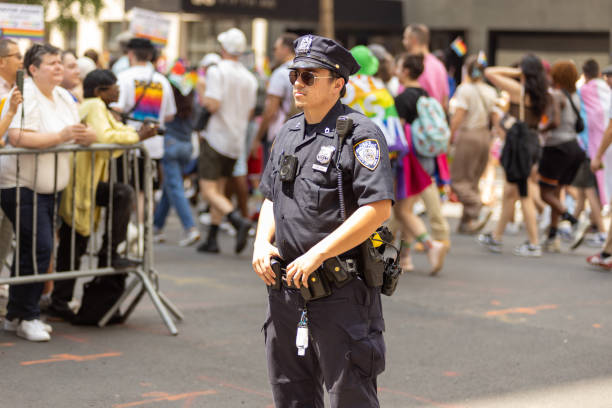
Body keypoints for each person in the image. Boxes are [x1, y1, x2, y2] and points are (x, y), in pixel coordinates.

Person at [252, 34, 394, 407]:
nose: (297, 83)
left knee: (349, 396)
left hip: (340, 291)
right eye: (294, 75)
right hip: (286, 290)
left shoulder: (360, 134)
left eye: (308, 76)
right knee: (291, 393)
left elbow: (377, 209)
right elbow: (271, 195)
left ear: (337, 84)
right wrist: (261, 243)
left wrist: (316, 255)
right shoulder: (288, 130)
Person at [0, 43, 97, 341]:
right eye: (52, 63)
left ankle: (17, 313)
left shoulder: (63, 96)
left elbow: (82, 128)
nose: (58, 67)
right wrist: (61, 136)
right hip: (19, 183)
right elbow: (16, 136)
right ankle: (28, 315)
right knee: (39, 247)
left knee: (33, 249)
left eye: (60, 63)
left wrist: (85, 136)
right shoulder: (24, 94)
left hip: (48, 186)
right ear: (33, 69)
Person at [47, 69, 157, 321]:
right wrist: (137, 136)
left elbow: (111, 141)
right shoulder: (95, 105)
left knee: (76, 242)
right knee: (74, 242)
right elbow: (105, 138)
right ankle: (62, 298)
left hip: (87, 184)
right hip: (80, 185)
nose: (118, 90)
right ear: (99, 91)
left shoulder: (99, 107)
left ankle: (61, 300)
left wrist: (130, 135)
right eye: (113, 87)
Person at [478, 54, 549, 256]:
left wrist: (517, 72)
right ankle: (496, 237)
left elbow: (489, 72)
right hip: (532, 143)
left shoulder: (520, 90)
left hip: (520, 146)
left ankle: (534, 243)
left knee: (523, 193)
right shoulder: (541, 93)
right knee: (511, 193)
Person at [196, 28, 257, 254]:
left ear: (223, 48)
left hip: (216, 136)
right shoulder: (249, 78)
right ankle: (212, 238)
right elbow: (250, 112)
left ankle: (237, 220)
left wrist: (201, 92)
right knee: (220, 188)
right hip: (235, 140)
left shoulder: (217, 71)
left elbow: (212, 104)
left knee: (208, 190)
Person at [394, 53, 447, 274]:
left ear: (405, 71)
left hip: (410, 161)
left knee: (402, 211)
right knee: (409, 208)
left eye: (399, 65)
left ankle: (430, 245)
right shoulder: (427, 95)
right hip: (427, 159)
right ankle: (405, 258)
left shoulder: (402, 99)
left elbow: (397, 133)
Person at [537, 61, 588, 252]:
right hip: (574, 147)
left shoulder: (556, 95)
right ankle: (552, 236)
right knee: (557, 192)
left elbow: (555, 121)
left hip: (557, 147)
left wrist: (541, 128)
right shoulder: (574, 96)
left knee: (545, 193)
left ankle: (574, 221)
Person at [153, 62, 201, 247]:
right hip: (186, 146)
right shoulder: (192, 98)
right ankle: (157, 226)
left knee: (175, 187)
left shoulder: (170, 95)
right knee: (171, 187)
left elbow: (166, 116)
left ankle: (190, 227)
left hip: (170, 144)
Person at [449, 54, 498, 234]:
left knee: (458, 179)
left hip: (468, 136)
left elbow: (458, 118)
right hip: (484, 136)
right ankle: (466, 222)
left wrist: (449, 138)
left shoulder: (465, 90)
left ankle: (476, 205)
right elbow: (495, 119)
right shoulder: (491, 91)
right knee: (473, 179)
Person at [0, 38, 24, 299]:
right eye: (17, 56)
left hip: (8, 176)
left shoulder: (17, 87)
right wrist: (10, 112)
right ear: (2, 61)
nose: (22, 60)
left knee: (5, 235)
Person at [251, 32, 298, 164]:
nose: (274, 52)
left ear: (286, 49)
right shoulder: (305, 71)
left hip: (279, 134)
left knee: (273, 180)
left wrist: (257, 138)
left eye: (275, 48)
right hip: (301, 132)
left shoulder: (281, 73)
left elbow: (271, 110)